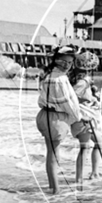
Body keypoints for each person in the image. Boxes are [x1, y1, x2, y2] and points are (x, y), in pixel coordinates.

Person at [36, 45, 84, 194]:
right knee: (54, 154)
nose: (68, 66)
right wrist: (78, 118)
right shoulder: (61, 79)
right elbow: (68, 103)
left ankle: (52, 186)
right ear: (57, 61)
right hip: (55, 119)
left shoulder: (48, 75)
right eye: (65, 62)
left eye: (70, 62)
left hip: (44, 115)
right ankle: (56, 190)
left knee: (51, 152)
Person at [69, 51, 102, 189]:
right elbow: (73, 96)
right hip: (84, 116)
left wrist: (93, 98)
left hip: (83, 116)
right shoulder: (84, 81)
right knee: (85, 147)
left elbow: (77, 95)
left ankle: (94, 172)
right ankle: (79, 179)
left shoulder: (78, 78)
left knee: (96, 143)